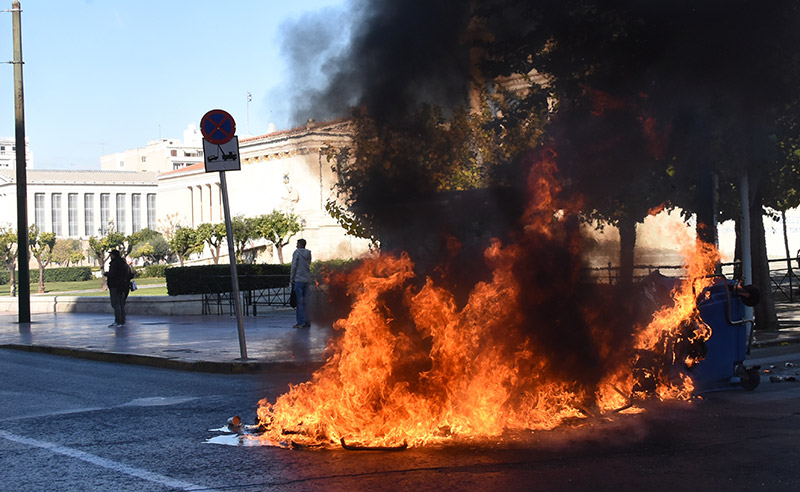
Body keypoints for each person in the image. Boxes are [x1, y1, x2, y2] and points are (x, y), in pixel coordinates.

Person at [105, 249, 132, 327]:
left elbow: (113, 274)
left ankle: (118, 321)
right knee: (121, 304)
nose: (110, 256)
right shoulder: (123, 263)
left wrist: (107, 274)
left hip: (115, 286)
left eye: (111, 255)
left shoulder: (114, 263)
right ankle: (122, 321)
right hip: (123, 286)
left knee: (116, 304)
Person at [290, 238, 312, 328]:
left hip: (298, 279)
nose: (296, 245)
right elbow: (309, 264)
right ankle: (307, 321)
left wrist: (292, 278)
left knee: (299, 302)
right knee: (306, 302)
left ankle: (300, 322)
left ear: (300, 244)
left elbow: (294, 266)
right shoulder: (308, 253)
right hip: (307, 279)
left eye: (297, 243)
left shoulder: (297, 253)